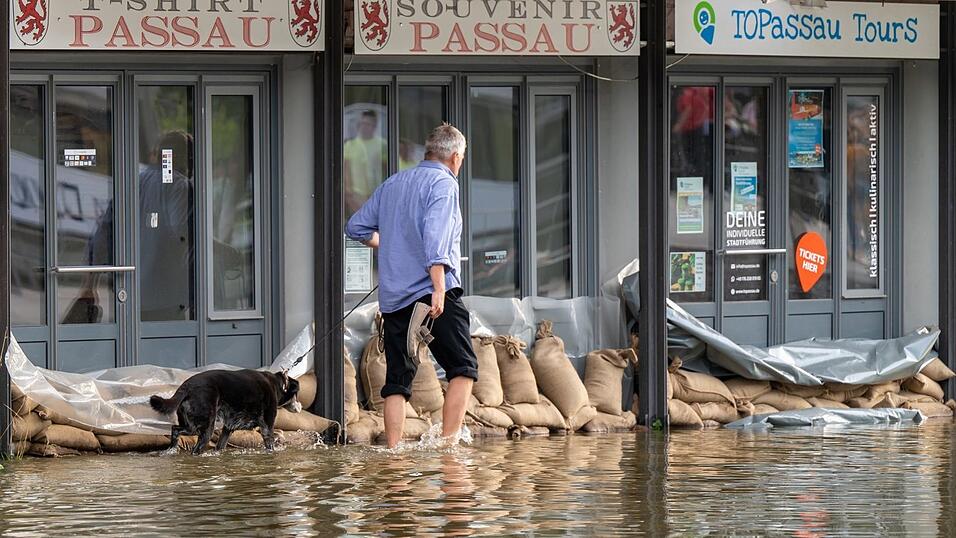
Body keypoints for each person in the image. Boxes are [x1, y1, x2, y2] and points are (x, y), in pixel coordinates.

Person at [346, 123, 478, 449]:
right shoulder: (443, 184)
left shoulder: (393, 183)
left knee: (397, 381)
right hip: (429, 293)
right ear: (456, 157)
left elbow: (356, 226)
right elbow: (436, 239)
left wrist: (389, 245)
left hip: (394, 300)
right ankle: (449, 447)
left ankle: (394, 452)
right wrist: (438, 287)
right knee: (463, 368)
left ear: (428, 151)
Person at [344, 110, 388, 214]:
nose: (364, 126)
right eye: (362, 123)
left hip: (376, 194)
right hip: (356, 196)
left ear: (374, 126)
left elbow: (386, 169)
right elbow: (345, 170)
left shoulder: (382, 145)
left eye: (368, 124)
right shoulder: (350, 145)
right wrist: (349, 194)